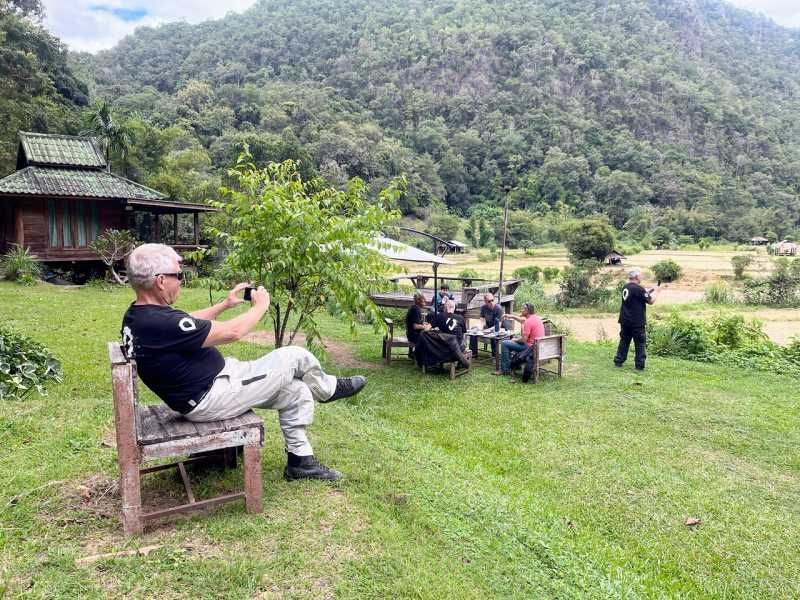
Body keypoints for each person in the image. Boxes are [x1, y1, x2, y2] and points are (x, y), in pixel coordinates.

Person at [120, 243, 366, 482]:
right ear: (161, 281)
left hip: (215, 385)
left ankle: (300, 462)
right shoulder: (157, 321)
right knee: (294, 356)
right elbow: (233, 332)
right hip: (211, 396)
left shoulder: (139, 315)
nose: (181, 281)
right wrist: (261, 307)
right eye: (179, 275)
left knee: (297, 391)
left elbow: (186, 321)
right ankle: (327, 389)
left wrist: (225, 304)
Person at [614, 267, 659, 370]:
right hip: (637, 322)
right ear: (636, 276)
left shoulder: (626, 287)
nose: (641, 276)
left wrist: (651, 289)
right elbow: (651, 301)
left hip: (625, 320)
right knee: (640, 343)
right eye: (640, 275)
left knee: (624, 341)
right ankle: (639, 365)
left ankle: (618, 361)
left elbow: (639, 295)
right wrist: (657, 291)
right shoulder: (638, 288)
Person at [414, 299, 470, 369]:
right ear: (454, 308)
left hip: (443, 348)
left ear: (445, 308)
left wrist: (431, 328)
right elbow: (463, 334)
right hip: (458, 348)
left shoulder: (439, 316)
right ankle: (461, 361)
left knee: (424, 334)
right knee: (454, 340)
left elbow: (426, 329)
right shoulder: (460, 318)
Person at [495, 303, 545, 375]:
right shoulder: (536, 318)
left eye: (523, 309)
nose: (521, 310)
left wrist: (515, 340)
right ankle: (514, 366)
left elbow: (524, 340)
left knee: (505, 343)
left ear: (527, 311)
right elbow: (522, 320)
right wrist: (511, 316)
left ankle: (505, 370)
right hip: (538, 346)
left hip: (530, 348)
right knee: (511, 342)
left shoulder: (528, 321)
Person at [469, 293, 504, 357]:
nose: (491, 302)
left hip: (498, 328)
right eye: (489, 301)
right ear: (485, 302)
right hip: (487, 327)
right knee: (473, 331)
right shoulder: (483, 308)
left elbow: (499, 325)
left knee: (493, 336)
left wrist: (488, 330)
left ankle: (494, 356)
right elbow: (482, 320)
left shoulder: (498, 309)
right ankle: (473, 353)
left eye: (492, 300)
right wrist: (479, 327)